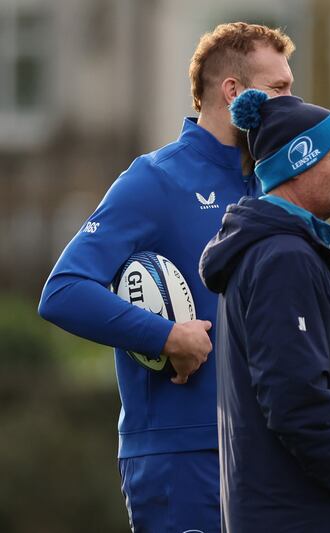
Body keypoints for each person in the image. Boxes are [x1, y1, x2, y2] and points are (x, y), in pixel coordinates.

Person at [38, 23, 295, 532]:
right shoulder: (154, 179)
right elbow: (63, 291)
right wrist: (166, 335)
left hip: (266, 454)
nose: (293, 102)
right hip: (182, 456)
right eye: (280, 90)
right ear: (233, 93)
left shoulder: (269, 184)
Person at [199, 89, 330, 532]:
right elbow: (295, 401)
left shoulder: (296, 250)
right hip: (306, 515)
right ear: (299, 161)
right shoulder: (285, 259)